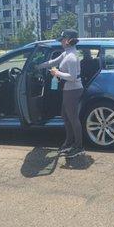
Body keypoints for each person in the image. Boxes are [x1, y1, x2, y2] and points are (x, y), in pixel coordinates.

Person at [38, 29, 84, 158]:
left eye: (63, 39)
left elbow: (73, 77)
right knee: (65, 116)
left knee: (73, 118)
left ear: (69, 40)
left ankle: (79, 146)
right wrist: (38, 66)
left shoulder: (72, 57)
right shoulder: (66, 54)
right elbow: (53, 62)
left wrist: (57, 73)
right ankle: (69, 142)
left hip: (73, 90)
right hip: (69, 90)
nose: (61, 42)